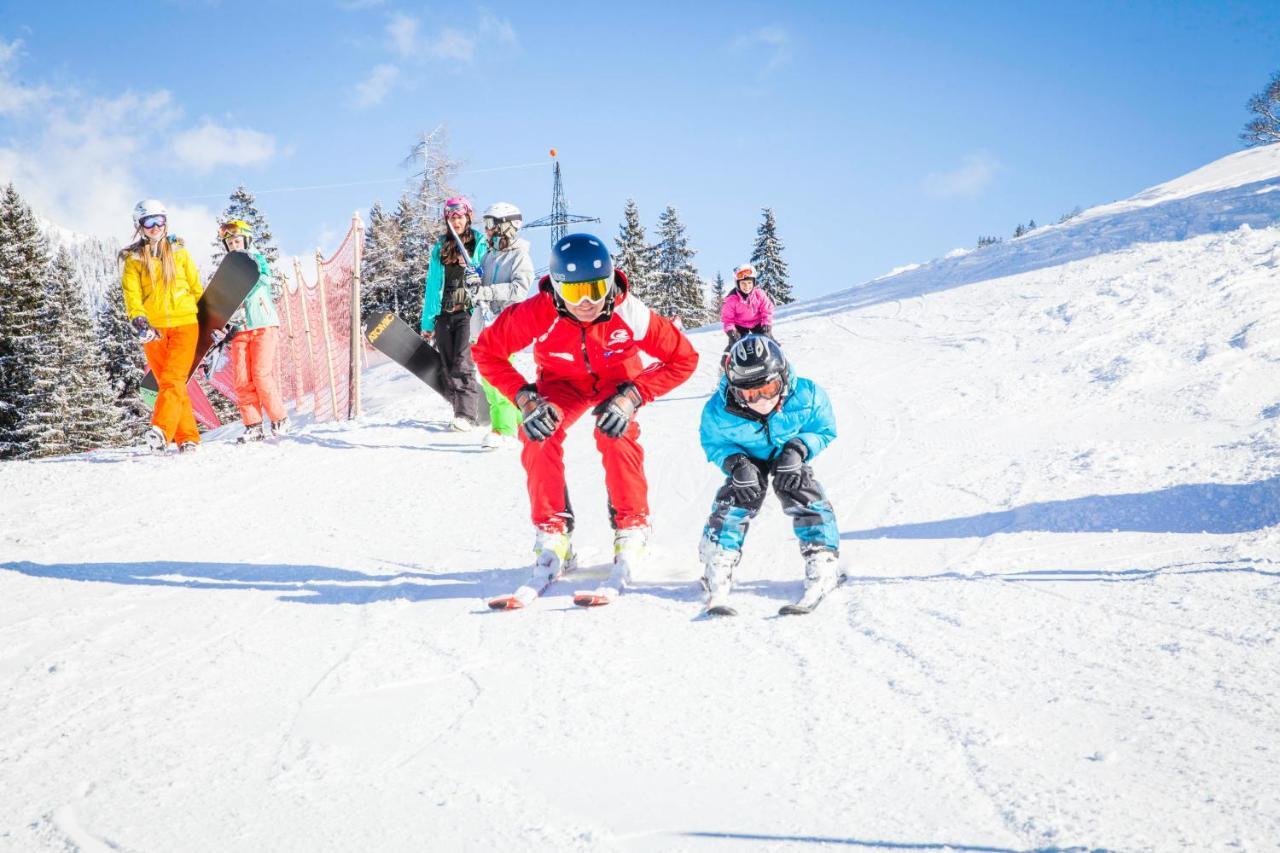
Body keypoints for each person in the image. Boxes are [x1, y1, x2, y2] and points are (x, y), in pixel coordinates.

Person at [472, 233, 698, 602]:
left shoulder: (630, 312)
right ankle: (553, 536)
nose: (589, 301)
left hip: (617, 385)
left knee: (615, 434)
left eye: (597, 288)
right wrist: (525, 399)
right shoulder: (537, 312)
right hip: (562, 385)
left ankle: (632, 528)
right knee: (537, 434)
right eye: (576, 293)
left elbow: (684, 358)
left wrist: (634, 395)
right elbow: (486, 352)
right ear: (558, 289)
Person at [697, 334, 840, 611]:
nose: (762, 400)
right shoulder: (718, 410)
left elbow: (824, 429)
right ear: (736, 390)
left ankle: (823, 556)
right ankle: (717, 556)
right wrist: (736, 463)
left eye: (769, 388)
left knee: (798, 485)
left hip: (786, 451)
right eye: (750, 394)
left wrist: (799, 448)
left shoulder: (808, 396)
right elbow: (714, 442)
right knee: (740, 493)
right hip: (747, 456)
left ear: (783, 378)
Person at [120, 199, 204, 454]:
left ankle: (161, 430)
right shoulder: (134, 259)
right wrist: (138, 318)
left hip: (185, 323)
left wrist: (213, 322)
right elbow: (131, 294)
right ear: (140, 225)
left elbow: (196, 287)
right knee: (172, 385)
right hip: (154, 329)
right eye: (149, 221)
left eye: (160, 220)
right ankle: (188, 438)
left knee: (172, 379)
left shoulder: (179, 252)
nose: (156, 226)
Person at [419, 196, 488, 431]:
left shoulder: (479, 243)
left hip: (468, 313)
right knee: (448, 366)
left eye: (460, 216)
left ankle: (466, 415)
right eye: (451, 217)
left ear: (468, 216)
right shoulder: (440, 248)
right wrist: (427, 321)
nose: (456, 221)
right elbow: (432, 286)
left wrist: (471, 263)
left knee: (462, 362)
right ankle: (464, 411)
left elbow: (485, 271)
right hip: (444, 313)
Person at [216, 220, 288, 443]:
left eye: (238, 241)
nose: (234, 246)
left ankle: (279, 418)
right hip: (240, 330)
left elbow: (262, 279)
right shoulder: (226, 270)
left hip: (263, 324)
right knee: (242, 379)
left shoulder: (255, 260)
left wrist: (240, 287)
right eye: (230, 243)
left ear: (246, 240)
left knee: (260, 374)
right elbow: (221, 300)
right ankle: (253, 425)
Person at [472, 202, 534, 449]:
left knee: (499, 377)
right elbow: (479, 290)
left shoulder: (520, 256)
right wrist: (473, 281)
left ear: (508, 226)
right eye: (485, 225)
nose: (487, 231)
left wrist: (486, 291)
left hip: (506, 325)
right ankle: (521, 422)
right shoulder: (488, 255)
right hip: (484, 326)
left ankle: (503, 430)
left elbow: (519, 290)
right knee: (488, 378)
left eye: (491, 225)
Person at [720, 262, 775, 346]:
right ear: (737, 284)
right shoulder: (731, 299)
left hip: (758, 323)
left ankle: (781, 358)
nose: (747, 286)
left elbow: (767, 310)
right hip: (739, 326)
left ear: (754, 283)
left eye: (749, 283)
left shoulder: (759, 294)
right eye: (743, 283)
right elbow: (727, 319)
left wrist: (766, 324)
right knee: (733, 346)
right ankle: (727, 358)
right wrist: (731, 331)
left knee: (770, 342)